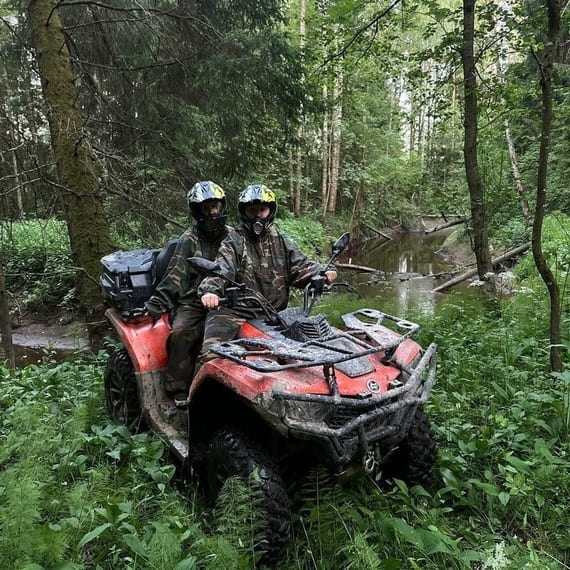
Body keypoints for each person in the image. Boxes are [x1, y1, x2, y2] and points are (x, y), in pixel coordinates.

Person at [197, 183, 337, 365]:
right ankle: (199, 391)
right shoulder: (233, 241)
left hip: (275, 314)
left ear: (270, 211)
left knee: (314, 352)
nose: (257, 216)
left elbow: (300, 267)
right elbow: (222, 268)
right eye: (252, 210)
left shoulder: (281, 239)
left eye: (262, 210)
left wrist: (322, 273)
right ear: (244, 212)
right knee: (212, 355)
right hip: (235, 311)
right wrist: (211, 291)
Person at [144, 180, 230, 399]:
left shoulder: (233, 236)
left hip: (230, 298)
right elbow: (175, 275)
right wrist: (155, 305)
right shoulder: (189, 240)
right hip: (194, 301)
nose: (212, 212)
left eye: (215, 206)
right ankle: (178, 388)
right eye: (206, 208)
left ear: (222, 206)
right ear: (197, 211)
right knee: (181, 334)